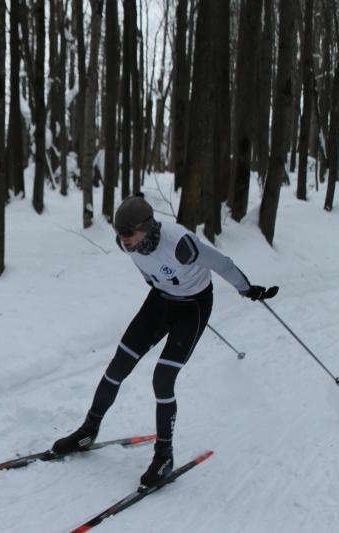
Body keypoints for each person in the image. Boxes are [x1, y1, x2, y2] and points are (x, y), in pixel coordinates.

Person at [51, 195, 277, 491]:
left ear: (147, 227)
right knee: (118, 366)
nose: (123, 239)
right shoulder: (127, 244)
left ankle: (164, 456)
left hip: (193, 307)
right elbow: (147, 270)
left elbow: (222, 263)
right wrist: (159, 283)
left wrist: (246, 289)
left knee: (163, 378)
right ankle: (87, 431)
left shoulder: (181, 244)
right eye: (118, 233)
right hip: (159, 301)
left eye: (128, 233)